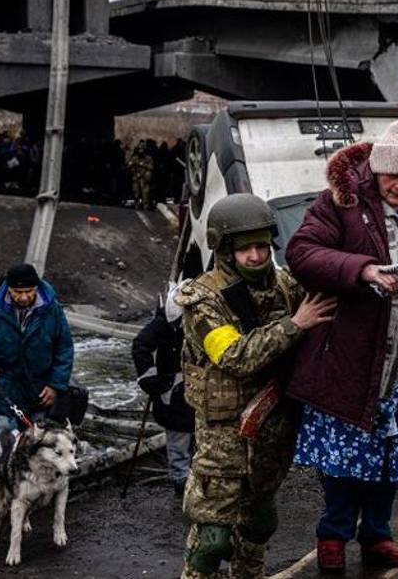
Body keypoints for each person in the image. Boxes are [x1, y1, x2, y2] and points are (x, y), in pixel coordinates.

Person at [284, 116, 398, 571]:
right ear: (377, 169)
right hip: (352, 359)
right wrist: (361, 269)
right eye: (392, 176)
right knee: (344, 458)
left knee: (391, 456)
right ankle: (333, 535)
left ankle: (377, 535)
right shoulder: (341, 202)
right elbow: (301, 253)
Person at [175, 194, 336, 579]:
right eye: (244, 248)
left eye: (262, 246)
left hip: (273, 427)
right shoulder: (203, 299)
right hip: (223, 435)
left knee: (260, 522)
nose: (255, 256)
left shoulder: (283, 285)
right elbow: (234, 356)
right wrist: (294, 325)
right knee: (212, 540)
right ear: (225, 250)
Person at [0, 263, 74, 435]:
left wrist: (55, 385)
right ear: (8, 289)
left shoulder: (52, 310)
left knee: (40, 438)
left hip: (40, 390)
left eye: (29, 291)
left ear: (36, 287)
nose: (23, 297)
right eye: (17, 292)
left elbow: (64, 348)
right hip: (3, 389)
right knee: (5, 435)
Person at [131, 284, 194, 496]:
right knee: (179, 442)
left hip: (202, 389)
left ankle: (196, 482)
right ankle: (181, 484)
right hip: (174, 393)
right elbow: (141, 345)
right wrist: (149, 378)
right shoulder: (165, 320)